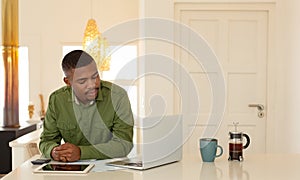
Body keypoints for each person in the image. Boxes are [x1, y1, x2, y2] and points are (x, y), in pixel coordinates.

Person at [39, 50, 134, 162]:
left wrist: (81, 152)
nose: (92, 85)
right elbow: (46, 141)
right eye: (82, 81)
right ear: (68, 82)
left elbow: (123, 145)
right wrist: (54, 151)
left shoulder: (118, 96)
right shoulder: (57, 100)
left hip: (110, 168)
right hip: (72, 169)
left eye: (95, 77)